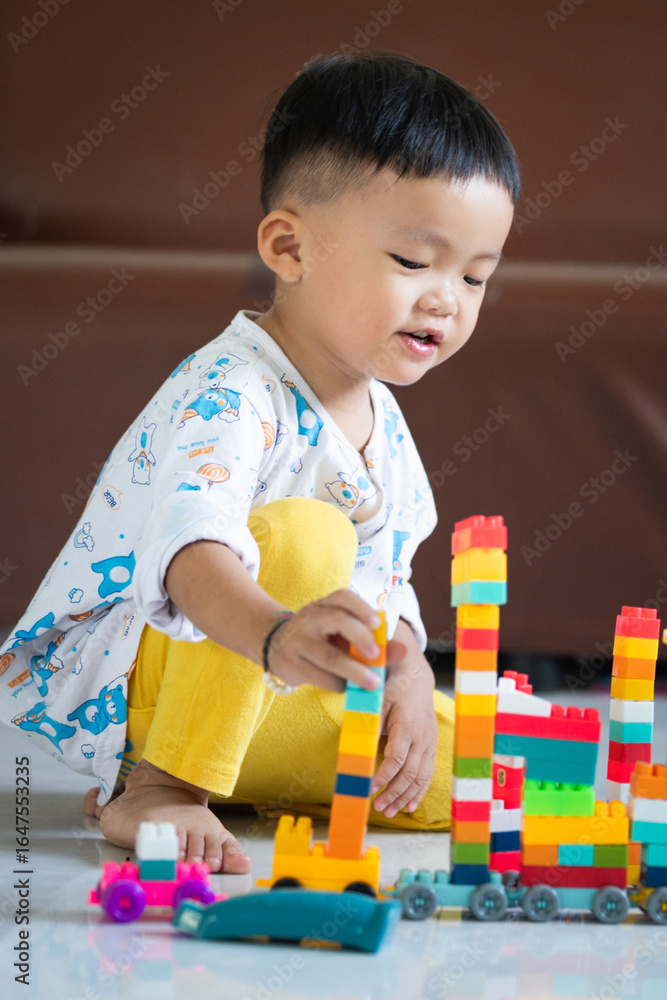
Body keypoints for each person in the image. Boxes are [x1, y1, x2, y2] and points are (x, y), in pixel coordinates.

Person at [0, 50, 519, 873]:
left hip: (273, 683)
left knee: (479, 776)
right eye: (414, 263)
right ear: (289, 247)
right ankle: (163, 783)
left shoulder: (384, 422)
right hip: (151, 673)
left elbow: (387, 579)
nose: (445, 299)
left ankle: (243, 775)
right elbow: (190, 554)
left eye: (475, 276)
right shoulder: (230, 390)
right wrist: (274, 637)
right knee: (308, 538)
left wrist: (408, 677)